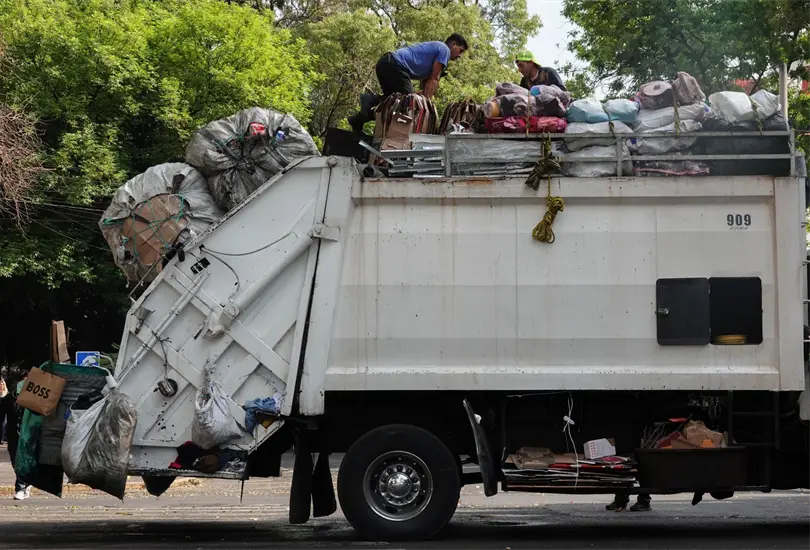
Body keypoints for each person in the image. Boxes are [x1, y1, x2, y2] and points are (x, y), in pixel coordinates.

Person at [348, 34, 468, 133]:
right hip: (394, 65)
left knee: (392, 105)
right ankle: (370, 100)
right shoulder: (445, 50)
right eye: (460, 51)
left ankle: (358, 119)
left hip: (386, 64)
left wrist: (424, 96)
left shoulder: (435, 51)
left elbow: (426, 84)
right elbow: (434, 78)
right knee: (408, 103)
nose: (460, 55)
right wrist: (427, 104)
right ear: (453, 45)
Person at [7, 372, 31, 500]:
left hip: (29, 435)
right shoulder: (10, 398)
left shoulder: (36, 399)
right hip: (13, 435)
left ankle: (20, 487)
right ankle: (26, 482)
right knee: (15, 462)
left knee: (22, 461)